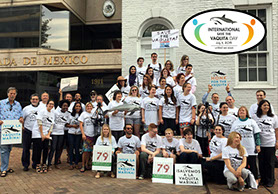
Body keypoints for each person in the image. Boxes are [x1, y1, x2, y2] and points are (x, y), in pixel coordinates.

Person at [230, 106, 261, 184]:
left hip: (250, 147)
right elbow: (232, 135)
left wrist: (258, 145)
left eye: (243, 110)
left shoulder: (252, 122)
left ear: (246, 112)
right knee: (243, 166)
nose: (241, 111)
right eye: (240, 110)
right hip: (239, 148)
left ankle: (255, 180)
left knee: (253, 165)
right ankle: (245, 182)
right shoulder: (235, 122)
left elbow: (257, 134)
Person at [253, 100, 278, 187]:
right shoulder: (255, 117)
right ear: (260, 107)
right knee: (261, 162)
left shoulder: (274, 117)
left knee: (270, 163)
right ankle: (263, 179)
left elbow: (276, 130)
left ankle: (270, 180)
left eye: (267, 105)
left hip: (270, 143)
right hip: (260, 144)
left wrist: (277, 141)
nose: (266, 107)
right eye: (264, 105)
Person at [0, 87, 23, 177]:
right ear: (7, 94)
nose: (12, 95)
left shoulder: (18, 104)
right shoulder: (1, 103)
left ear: (16, 95)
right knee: (4, 149)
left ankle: (5, 166)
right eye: (11, 93)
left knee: (8, 149)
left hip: (13, 133)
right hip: (3, 130)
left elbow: (21, 116)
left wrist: (21, 119)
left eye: (14, 93)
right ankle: (3, 169)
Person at [32, 100, 55, 173]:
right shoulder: (42, 111)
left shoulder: (52, 113)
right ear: (47, 104)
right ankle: (37, 165)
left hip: (46, 134)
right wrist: (42, 134)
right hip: (38, 133)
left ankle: (44, 164)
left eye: (52, 104)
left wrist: (48, 134)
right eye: (50, 104)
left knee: (45, 149)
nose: (51, 105)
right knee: (38, 150)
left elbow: (52, 125)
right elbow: (39, 123)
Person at [48, 100, 70, 170]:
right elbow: (52, 121)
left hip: (61, 133)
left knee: (59, 148)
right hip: (54, 133)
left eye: (66, 106)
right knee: (53, 148)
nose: (65, 107)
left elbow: (67, 124)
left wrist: (73, 126)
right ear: (61, 106)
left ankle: (56, 163)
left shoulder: (68, 114)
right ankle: (48, 164)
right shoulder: (55, 112)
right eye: (64, 106)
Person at [21, 93, 40, 171]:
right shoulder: (26, 108)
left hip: (37, 132)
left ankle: (35, 164)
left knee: (37, 149)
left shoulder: (42, 108)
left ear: (38, 100)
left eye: (36, 99)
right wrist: (22, 127)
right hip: (27, 131)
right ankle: (25, 165)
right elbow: (22, 118)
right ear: (30, 100)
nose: (34, 100)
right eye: (33, 99)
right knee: (26, 149)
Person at [78, 102, 96, 172]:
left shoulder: (93, 114)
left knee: (90, 151)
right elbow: (81, 124)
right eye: (87, 106)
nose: (89, 107)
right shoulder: (83, 114)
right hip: (86, 135)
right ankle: (82, 165)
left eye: (90, 106)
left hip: (93, 135)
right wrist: (83, 134)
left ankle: (87, 164)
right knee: (85, 151)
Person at [68, 102, 83, 169]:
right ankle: (71, 163)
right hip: (71, 133)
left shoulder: (82, 114)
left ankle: (76, 163)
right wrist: (72, 126)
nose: (78, 107)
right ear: (74, 107)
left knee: (77, 148)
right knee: (71, 148)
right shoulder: (70, 115)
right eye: (76, 106)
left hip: (78, 133)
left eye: (79, 106)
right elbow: (66, 124)